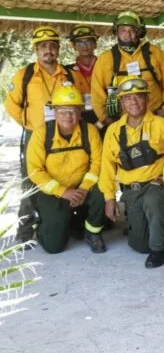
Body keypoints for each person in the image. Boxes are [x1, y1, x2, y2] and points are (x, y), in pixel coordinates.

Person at [5, 26, 83, 244]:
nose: (48, 50)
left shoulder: (70, 75)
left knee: (69, 175)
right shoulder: (24, 75)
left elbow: (82, 101)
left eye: (52, 46)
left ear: (58, 50)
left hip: (66, 134)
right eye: (42, 47)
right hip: (35, 136)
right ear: (36, 50)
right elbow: (11, 105)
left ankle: (68, 222)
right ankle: (25, 231)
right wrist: (30, 125)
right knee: (31, 182)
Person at [99, 76, 164, 268]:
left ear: (147, 99)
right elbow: (107, 166)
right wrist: (109, 198)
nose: (133, 102)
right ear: (121, 102)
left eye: (139, 97)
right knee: (140, 245)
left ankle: (160, 249)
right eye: (128, 98)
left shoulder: (162, 124)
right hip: (132, 191)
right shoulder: (113, 130)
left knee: (153, 201)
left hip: (158, 185)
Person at [25, 84, 106, 254]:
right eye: (62, 111)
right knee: (54, 247)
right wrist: (63, 191)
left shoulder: (89, 131)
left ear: (80, 113)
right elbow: (34, 171)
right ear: (54, 113)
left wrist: (83, 189)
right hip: (53, 190)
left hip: (81, 187)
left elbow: (98, 163)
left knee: (102, 190)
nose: (67, 116)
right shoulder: (42, 133)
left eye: (73, 111)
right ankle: (44, 224)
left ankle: (92, 233)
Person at [91, 11, 164, 127]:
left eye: (131, 30)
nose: (127, 34)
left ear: (139, 32)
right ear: (116, 32)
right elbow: (97, 94)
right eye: (123, 30)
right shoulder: (105, 59)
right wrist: (106, 119)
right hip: (120, 122)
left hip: (155, 118)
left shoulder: (155, 53)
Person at [64, 24, 99, 124]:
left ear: (95, 44)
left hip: (106, 118)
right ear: (74, 46)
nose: (84, 46)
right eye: (79, 43)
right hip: (79, 120)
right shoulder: (67, 71)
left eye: (88, 42)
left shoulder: (106, 67)